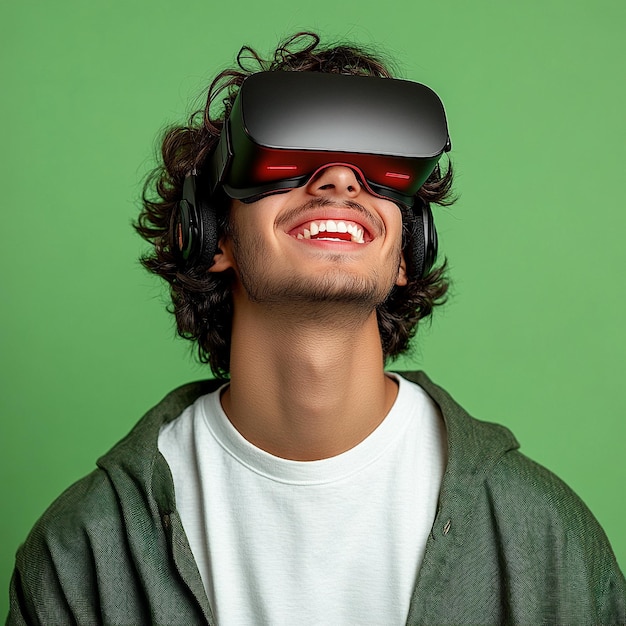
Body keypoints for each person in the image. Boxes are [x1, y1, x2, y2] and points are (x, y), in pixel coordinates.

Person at [7, 32, 625, 626]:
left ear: (410, 250)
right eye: (290, 157)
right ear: (212, 233)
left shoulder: (542, 535)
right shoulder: (84, 550)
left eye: (376, 166)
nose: (338, 180)